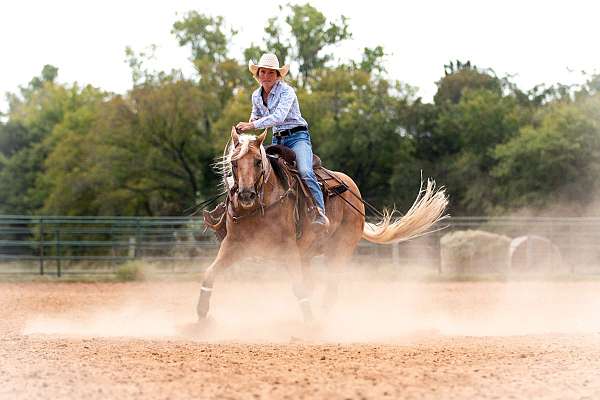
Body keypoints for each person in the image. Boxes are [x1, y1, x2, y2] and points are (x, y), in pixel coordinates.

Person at [236, 53, 329, 229]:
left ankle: (319, 212)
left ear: (278, 75)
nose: (266, 76)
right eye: (262, 72)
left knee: (305, 170)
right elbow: (255, 116)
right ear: (258, 75)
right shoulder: (256, 96)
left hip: (297, 137)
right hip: (277, 139)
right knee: (255, 168)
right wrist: (246, 129)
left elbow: (278, 117)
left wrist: (251, 125)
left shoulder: (287, 92)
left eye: (271, 73)